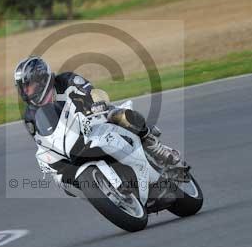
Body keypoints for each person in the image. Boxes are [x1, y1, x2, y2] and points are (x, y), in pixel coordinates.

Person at [13, 56, 181, 168]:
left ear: (42, 78)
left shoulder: (65, 80)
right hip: (70, 141)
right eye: (23, 87)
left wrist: (96, 104)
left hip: (93, 116)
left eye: (28, 85)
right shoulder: (30, 114)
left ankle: (153, 146)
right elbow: (42, 140)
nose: (26, 91)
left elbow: (90, 91)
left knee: (119, 115)